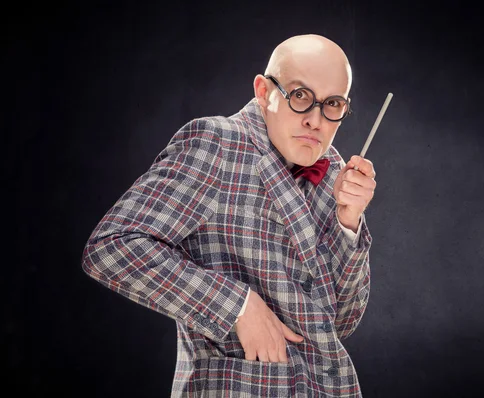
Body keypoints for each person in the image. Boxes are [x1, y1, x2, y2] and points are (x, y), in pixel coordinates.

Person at [82, 33, 377, 397]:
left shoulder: (334, 171)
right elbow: (112, 247)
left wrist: (349, 224)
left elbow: (341, 323)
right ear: (264, 91)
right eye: (300, 95)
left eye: (332, 104)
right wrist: (237, 306)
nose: (316, 121)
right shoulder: (217, 143)